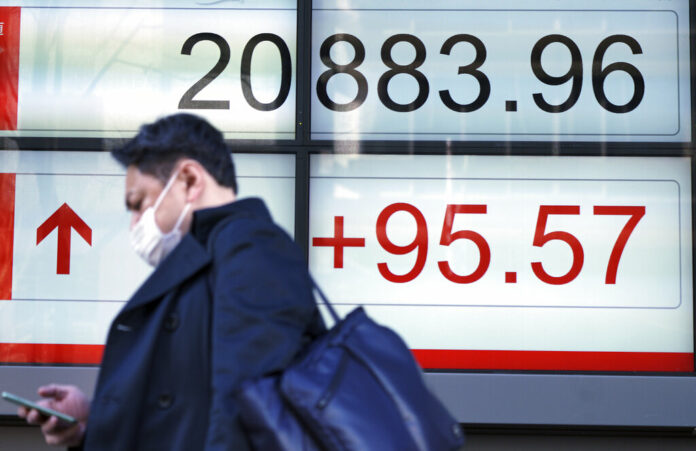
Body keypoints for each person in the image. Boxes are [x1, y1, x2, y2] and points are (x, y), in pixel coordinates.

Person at [18, 113, 325, 449]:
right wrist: (95, 422)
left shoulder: (251, 248)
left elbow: (245, 416)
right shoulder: (206, 261)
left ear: (190, 181)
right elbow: (186, 410)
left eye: (139, 204)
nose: (135, 223)